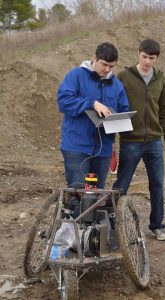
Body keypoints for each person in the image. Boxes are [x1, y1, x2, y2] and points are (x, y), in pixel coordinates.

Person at [57, 42, 129, 217]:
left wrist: (118, 118)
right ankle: (73, 238)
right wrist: (91, 103)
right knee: (76, 195)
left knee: (97, 196)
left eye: (111, 66)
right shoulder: (75, 76)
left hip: (103, 148)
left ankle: (93, 239)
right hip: (76, 146)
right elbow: (64, 101)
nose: (107, 69)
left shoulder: (117, 85)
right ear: (94, 58)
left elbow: (124, 109)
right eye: (104, 64)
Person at [113, 39, 165, 241]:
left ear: (157, 58)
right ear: (138, 54)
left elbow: (164, 111)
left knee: (157, 184)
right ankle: (113, 227)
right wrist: (113, 139)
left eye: (152, 58)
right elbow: (114, 106)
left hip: (155, 142)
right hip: (131, 141)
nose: (148, 61)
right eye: (144, 57)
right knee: (122, 184)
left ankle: (157, 226)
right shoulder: (124, 76)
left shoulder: (160, 79)